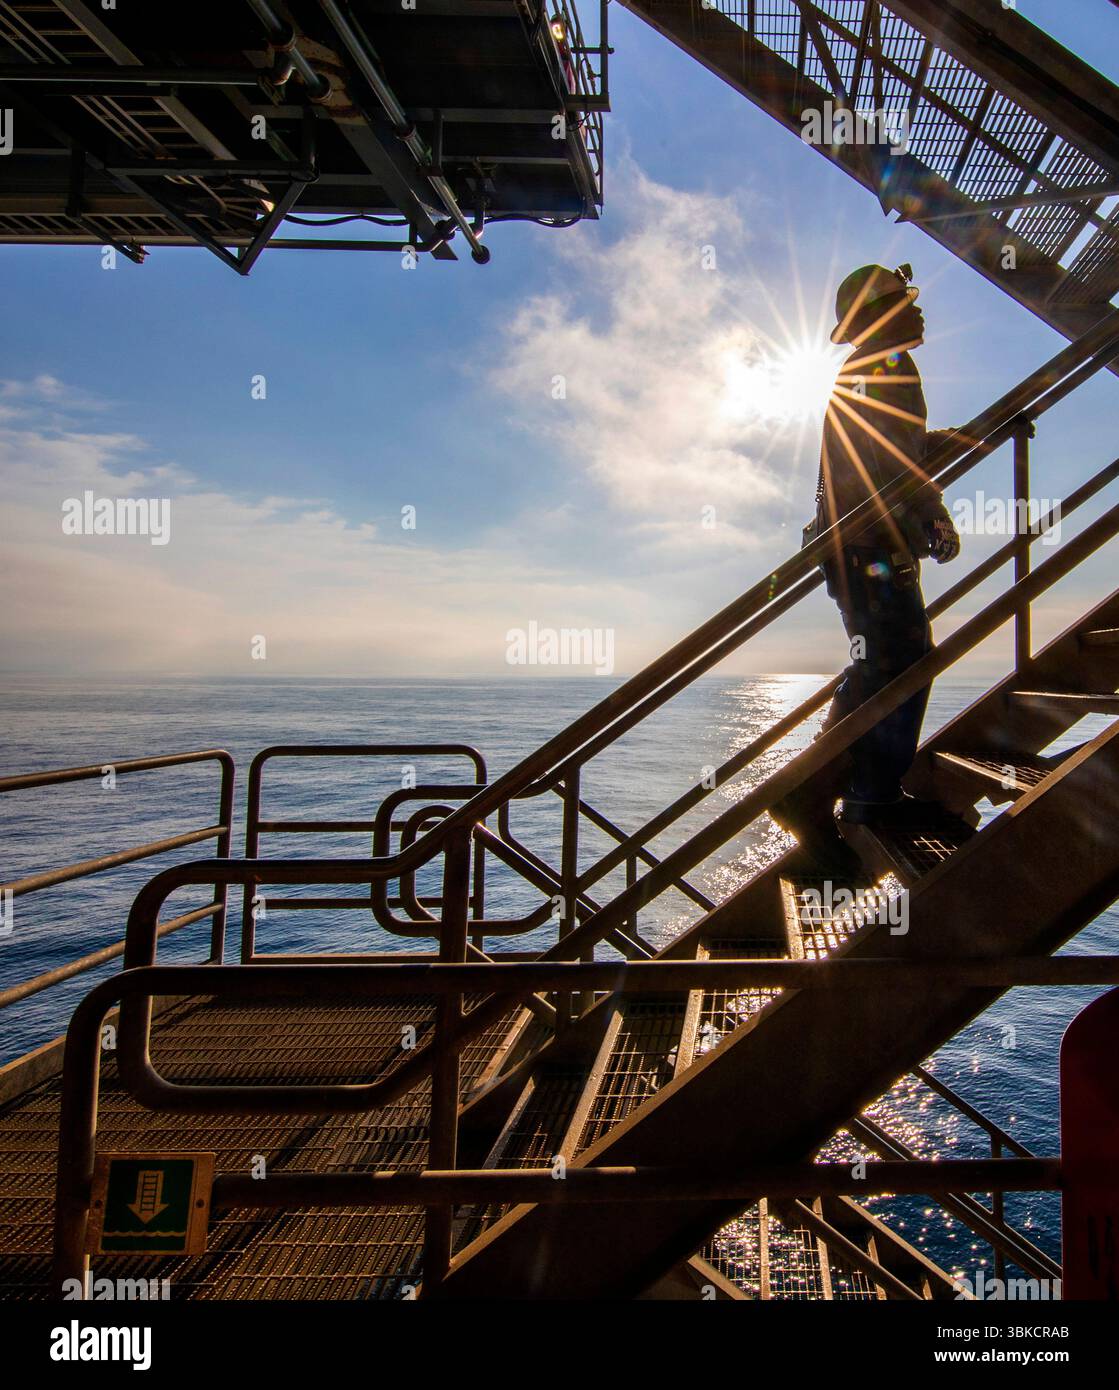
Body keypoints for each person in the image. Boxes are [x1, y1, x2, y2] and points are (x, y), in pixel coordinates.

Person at [774, 263, 963, 864]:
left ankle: (812, 791)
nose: (919, 309)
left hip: (856, 549)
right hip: (870, 550)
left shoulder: (869, 372)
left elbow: (893, 448)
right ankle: (867, 795)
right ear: (882, 317)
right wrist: (932, 515)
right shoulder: (884, 371)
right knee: (903, 664)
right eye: (906, 302)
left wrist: (954, 442)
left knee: (878, 666)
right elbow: (887, 464)